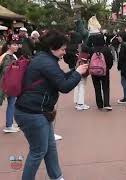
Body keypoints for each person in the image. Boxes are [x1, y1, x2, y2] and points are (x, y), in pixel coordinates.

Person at [14, 30, 88, 180]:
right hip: (32, 113)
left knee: (49, 148)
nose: (64, 52)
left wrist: (75, 71)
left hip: (37, 112)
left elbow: (59, 79)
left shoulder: (45, 59)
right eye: (62, 49)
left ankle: (57, 176)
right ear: (52, 48)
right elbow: (64, 86)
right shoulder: (46, 62)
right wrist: (78, 73)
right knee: (38, 151)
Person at [87, 33, 114, 110]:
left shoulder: (92, 49)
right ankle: (106, 103)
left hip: (94, 71)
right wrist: (108, 67)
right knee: (105, 87)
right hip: (104, 71)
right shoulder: (106, 49)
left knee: (97, 87)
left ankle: (99, 104)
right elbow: (110, 60)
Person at [0, 34, 20, 133]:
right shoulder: (7, 56)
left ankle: (10, 123)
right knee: (12, 103)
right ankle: (9, 125)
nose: (16, 46)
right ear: (8, 46)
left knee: (12, 103)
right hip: (7, 84)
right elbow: (6, 71)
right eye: (14, 44)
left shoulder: (11, 55)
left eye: (17, 44)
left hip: (8, 84)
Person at [74, 44, 91, 111]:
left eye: (79, 48)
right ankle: (80, 104)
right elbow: (83, 64)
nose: (78, 49)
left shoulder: (80, 55)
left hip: (78, 72)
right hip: (82, 73)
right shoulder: (85, 55)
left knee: (78, 87)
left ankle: (77, 102)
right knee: (82, 87)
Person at [116, 32, 126, 104]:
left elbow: (121, 57)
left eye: (119, 36)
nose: (118, 38)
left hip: (124, 66)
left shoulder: (123, 45)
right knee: (125, 81)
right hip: (125, 66)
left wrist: (120, 66)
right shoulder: (123, 44)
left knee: (124, 82)